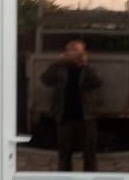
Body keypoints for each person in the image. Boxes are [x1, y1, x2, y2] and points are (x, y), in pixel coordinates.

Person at [41, 40, 102, 172]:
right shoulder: (59, 68)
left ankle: (91, 179)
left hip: (86, 117)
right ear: (67, 52)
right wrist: (57, 63)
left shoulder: (87, 68)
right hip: (65, 116)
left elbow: (97, 82)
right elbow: (46, 80)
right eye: (74, 51)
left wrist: (85, 65)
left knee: (90, 154)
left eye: (80, 51)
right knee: (64, 154)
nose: (77, 55)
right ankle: (65, 179)